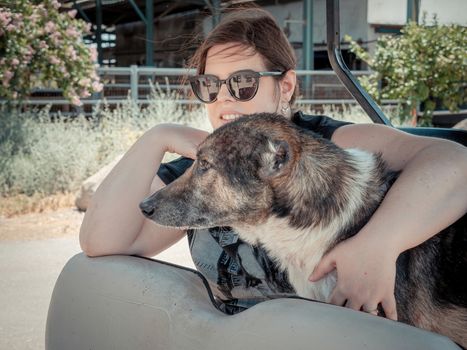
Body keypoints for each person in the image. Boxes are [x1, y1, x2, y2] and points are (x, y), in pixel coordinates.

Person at [79, 8, 467, 318]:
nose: (224, 100)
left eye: (243, 83)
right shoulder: (199, 171)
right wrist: (156, 137)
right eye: (209, 86)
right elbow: (102, 241)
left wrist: (377, 245)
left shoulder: (325, 145)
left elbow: (453, 162)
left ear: (285, 86)